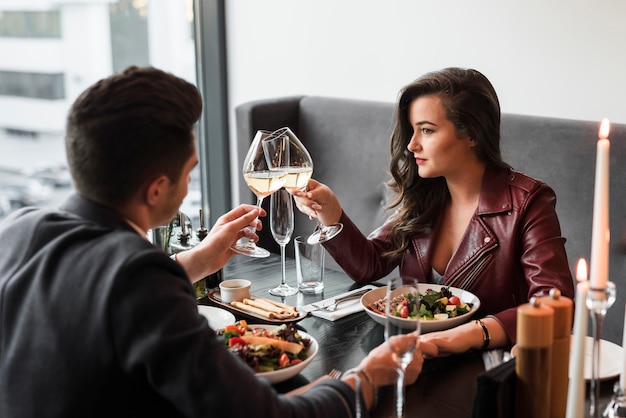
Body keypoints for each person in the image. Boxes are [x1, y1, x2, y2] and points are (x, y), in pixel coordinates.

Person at [0, 66, 432, 417]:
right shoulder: (140, 278)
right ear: (156, 189)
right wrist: (367, 378)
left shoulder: (20, 229)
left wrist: (199, 260)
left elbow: (98, 289)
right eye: (189, 171)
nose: (190, 183)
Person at [293, 67, 575, 356]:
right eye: (413, 130)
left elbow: (556, 305)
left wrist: (465, 336)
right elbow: (369, 265)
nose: (411, 144)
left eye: (427, 130)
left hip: (489, 367)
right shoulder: (427, 196)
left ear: (472, 134)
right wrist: (329, 208)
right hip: (415, 358)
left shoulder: (528, 202)